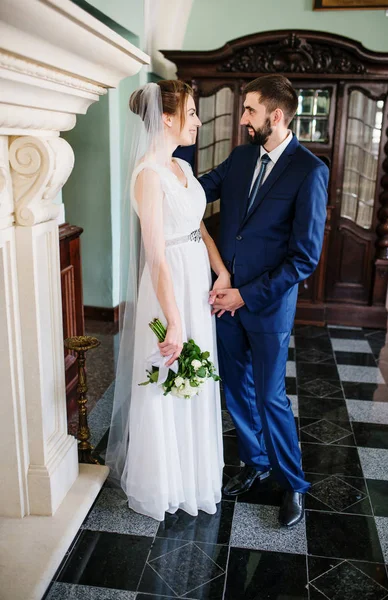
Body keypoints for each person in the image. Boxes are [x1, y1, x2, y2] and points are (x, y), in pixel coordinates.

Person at [200, 74, 329, 528]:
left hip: (267, 308)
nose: (242, 119)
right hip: (224, 300)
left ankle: (292, 483)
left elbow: (303, 259)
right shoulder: (238, 158)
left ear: (276, 115)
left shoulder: (310, 171)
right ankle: (255, 464)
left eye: (250, 110)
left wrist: (245, 295)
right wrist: (160, 165)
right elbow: (195, 190)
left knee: (271, 396)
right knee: (235, 389)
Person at [106, 81, 228, 521]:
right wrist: (173, 320)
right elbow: (156, 254)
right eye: (192, 113)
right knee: (169, 373)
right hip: (169, 286)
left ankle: (193, 474)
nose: (197, 120)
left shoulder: (182, 166)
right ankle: (165, 481)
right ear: (167, 118)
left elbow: (199, 228)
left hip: (196, 278)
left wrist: (221, 269)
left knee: (196, 374)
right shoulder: (148, 175)